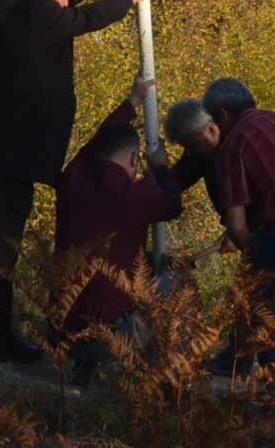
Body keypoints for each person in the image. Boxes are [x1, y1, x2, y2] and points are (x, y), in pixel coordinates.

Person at [0, 0, 153, 362]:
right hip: (9, 160)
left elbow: (64, 2)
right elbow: (81, 20)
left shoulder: (18, 3)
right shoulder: (37, 16)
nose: (69, 2)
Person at [162, 78, 275, 296]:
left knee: (257, 312)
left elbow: (236, 224)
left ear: (221, 116)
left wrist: (252, 255)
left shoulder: (235, 141)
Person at [51, 76, 184, 373]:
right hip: (107, 334)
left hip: (60, 326)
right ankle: (159, 373)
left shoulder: (73, 177)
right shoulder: (133, 195)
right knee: (177, 277)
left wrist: (132, 101)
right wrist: (162, 167)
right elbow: (174, 205)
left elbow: (98, 142)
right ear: (136, 158)